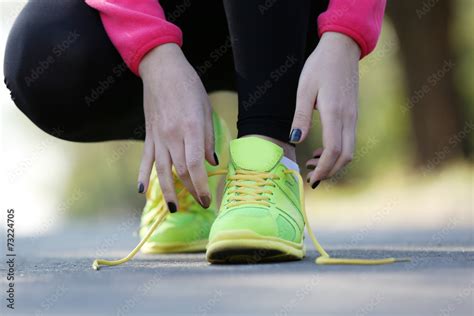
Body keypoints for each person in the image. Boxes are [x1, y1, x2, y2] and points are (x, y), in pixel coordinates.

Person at [4, 0, 387, 264]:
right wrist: (152, 50)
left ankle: (266, 155)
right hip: (173, 14)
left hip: (297, 17)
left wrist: (346, 32)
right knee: (42, 57)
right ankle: (195, 150)